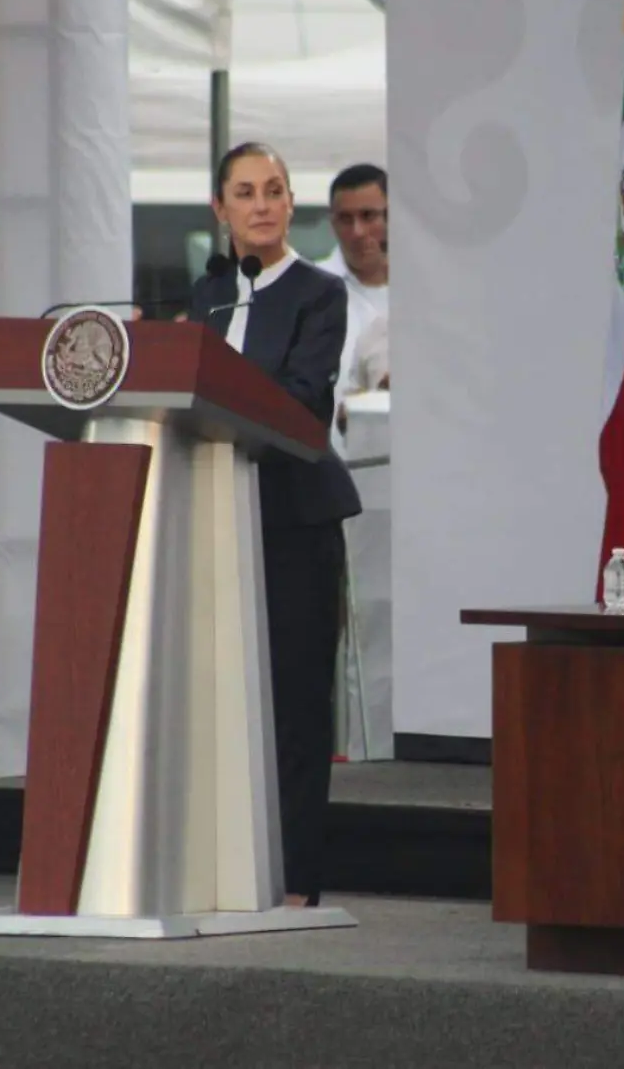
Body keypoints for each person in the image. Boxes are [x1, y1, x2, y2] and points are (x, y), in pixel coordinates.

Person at [191, 141, 362, 907]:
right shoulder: (201, 300)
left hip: (290, 518)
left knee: (293, 702)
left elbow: (300, 402)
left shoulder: (318, 294)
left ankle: (295, 880)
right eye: (245, 192)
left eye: (275, 190)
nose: (261, 204)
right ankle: (213, 868)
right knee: (212, 699)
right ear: (220, 209)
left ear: (292, 204)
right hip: (205, 519)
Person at [314, 163, 389, 449]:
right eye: (346, 219)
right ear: (332, 223)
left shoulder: (429, 294)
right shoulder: (311, 292)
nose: (358, 232)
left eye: (369, 216)